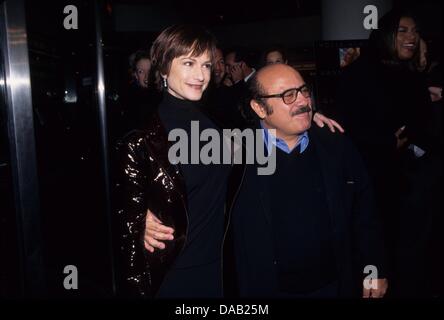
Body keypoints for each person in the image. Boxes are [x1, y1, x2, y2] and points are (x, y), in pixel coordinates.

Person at [116, 24, 344, 298]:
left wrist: (306, 116)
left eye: (207, 65)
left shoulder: (219, 121)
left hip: (223, 270)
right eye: (189, 63)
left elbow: (266, 120)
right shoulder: (141, 139)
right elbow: (122, 219)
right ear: (163, 67)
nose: (200, 75)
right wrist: (137, 219)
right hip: (173, 273)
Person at [232, 64, 388, 298]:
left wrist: (374, 269)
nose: (303, 101)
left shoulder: (335, 144)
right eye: (288, 95)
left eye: (304, 91)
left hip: (335, 286)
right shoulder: (236, 156)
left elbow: (365, 211)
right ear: (259, 107)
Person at [335, 9, 439, 297]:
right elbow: (348, 126)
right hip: (377, 182)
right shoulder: (359, 74)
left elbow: (422, 123)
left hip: (415, 183)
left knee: (416, 256)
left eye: (415, 31)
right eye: (403, 30)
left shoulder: (409, 74)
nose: (411, 37)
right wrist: (386, 143)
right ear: (386, 34)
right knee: (385, 252)